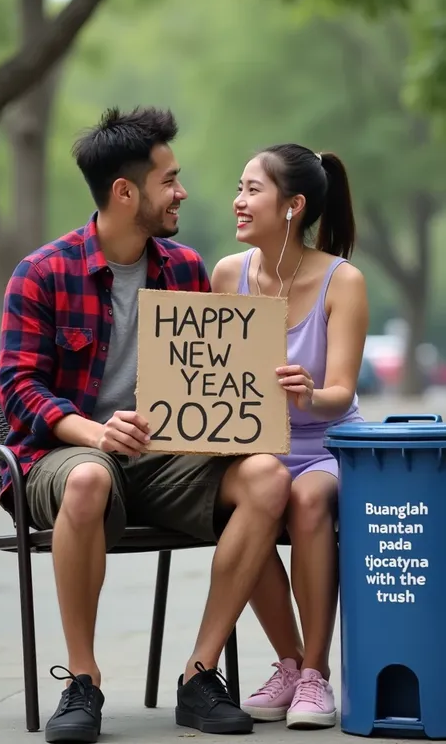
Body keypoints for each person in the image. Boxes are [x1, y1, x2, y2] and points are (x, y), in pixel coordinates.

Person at [0, 108, 293, 743]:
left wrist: (255, 389)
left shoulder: (185, 269)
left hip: (164, 457)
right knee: (86, 482)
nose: (182, 192)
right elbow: (17, 389)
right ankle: (82, 680)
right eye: (170, 180)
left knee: (268, 476)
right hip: (66, 455)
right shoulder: (42, 273)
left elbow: (214, 377)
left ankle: (199, 674)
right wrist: (94, 432)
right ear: (126, 192)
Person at [211, 143, 368, 729]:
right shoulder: (229, 274)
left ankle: (317, 676)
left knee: (305, 500)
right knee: (252, 497)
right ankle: (290, 663)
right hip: (259, 449)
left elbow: (340, 393)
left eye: (253, 190)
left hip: (328, 445)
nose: (239, 201)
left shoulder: (341, 280)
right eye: (240, 187)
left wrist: (306, 392)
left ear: (294, 206)